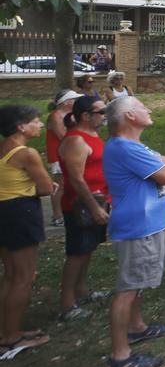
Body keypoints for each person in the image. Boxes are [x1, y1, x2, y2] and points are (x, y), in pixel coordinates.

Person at [102, 97, 165, 367]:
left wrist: (162, 162)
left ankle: (137, 327)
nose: (150, 109)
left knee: (138, 284)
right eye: (143, 107)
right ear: (130, 116)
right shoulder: (124, 147)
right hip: (137, 227)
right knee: (128, 288)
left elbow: (161, 167)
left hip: (149, 224)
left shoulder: (132, 146)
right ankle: (120, 356)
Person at [0, 105, 56, 357]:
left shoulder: (4, 148)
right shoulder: (26, 153)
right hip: (21, 213)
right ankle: (11, 338)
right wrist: (48, 184)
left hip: (4, 211)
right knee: (24, 277)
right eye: (35, 122)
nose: (40, 125)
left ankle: (7, 331)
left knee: (10, 275)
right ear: (21, 127)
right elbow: (45, 188)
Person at [57, 97, 111, 321]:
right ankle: (67, 304)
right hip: (81, 205)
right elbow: (76, 180)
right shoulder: (76, 140)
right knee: (77, 253)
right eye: (101, 112)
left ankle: (81, 290)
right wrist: (94, 208)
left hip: (98, 201)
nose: (105, 115)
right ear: (86, 116)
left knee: (87, 249)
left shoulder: (93, 135)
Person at [46, 89, 81, 227]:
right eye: (74, 99)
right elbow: (63, 136)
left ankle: (68, 210)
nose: (76, 102)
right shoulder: (56, 115)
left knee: (71, 184)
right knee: (60, 185)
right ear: (66, 102)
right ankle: (57, 215)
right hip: (58, 155)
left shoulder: (71, 115)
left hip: (70, 153)